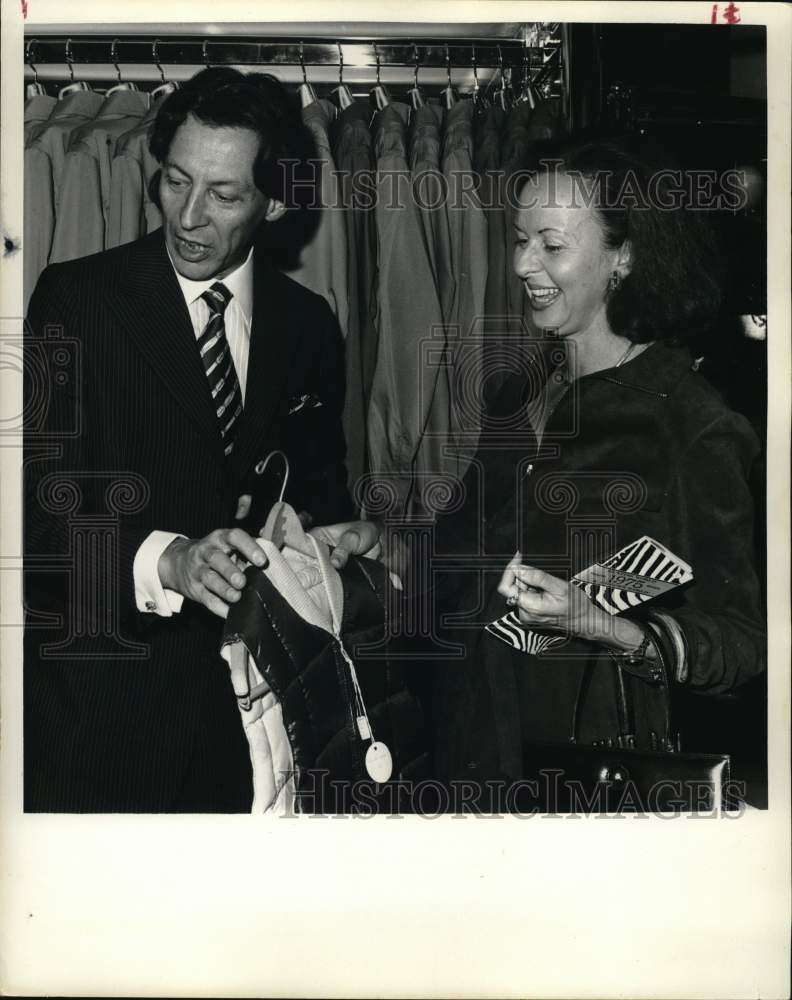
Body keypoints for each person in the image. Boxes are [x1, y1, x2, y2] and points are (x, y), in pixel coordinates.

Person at [326, 136, 766, 799]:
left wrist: (608, 627)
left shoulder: (692, 426)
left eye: (551, 245)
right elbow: (465, 565)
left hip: (583, 786)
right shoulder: (519, 393)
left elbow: (739, 643)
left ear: (625, 256)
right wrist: (384, 544)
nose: (524, 264)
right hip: (465, 757)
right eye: (518, 238)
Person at [24, 68, 353, 813]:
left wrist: (342, 540)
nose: (190, 217)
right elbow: (31, 520)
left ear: (273, 204)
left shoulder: (308, 325)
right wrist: (165, 560)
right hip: (99, 735)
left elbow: (319, 496)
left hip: (257, 738)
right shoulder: (75, 302)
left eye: (225, 195)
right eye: (176, 182)